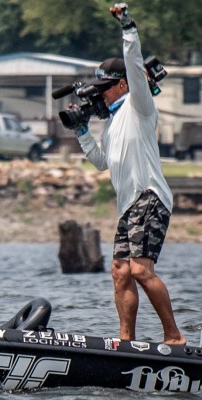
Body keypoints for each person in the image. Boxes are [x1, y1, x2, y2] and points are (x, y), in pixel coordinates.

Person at [71, 3, 185, 344]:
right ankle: (125, 342)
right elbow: (100, 162)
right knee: (120, 272)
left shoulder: (139, 105)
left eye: (105, 87)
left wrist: (128, 28)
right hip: (128, 207)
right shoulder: (111, 124)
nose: (100, 93)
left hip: (149, 196)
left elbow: (134, 66)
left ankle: (174, 337)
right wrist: (82, 131)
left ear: (123, 85)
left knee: (139, 269)